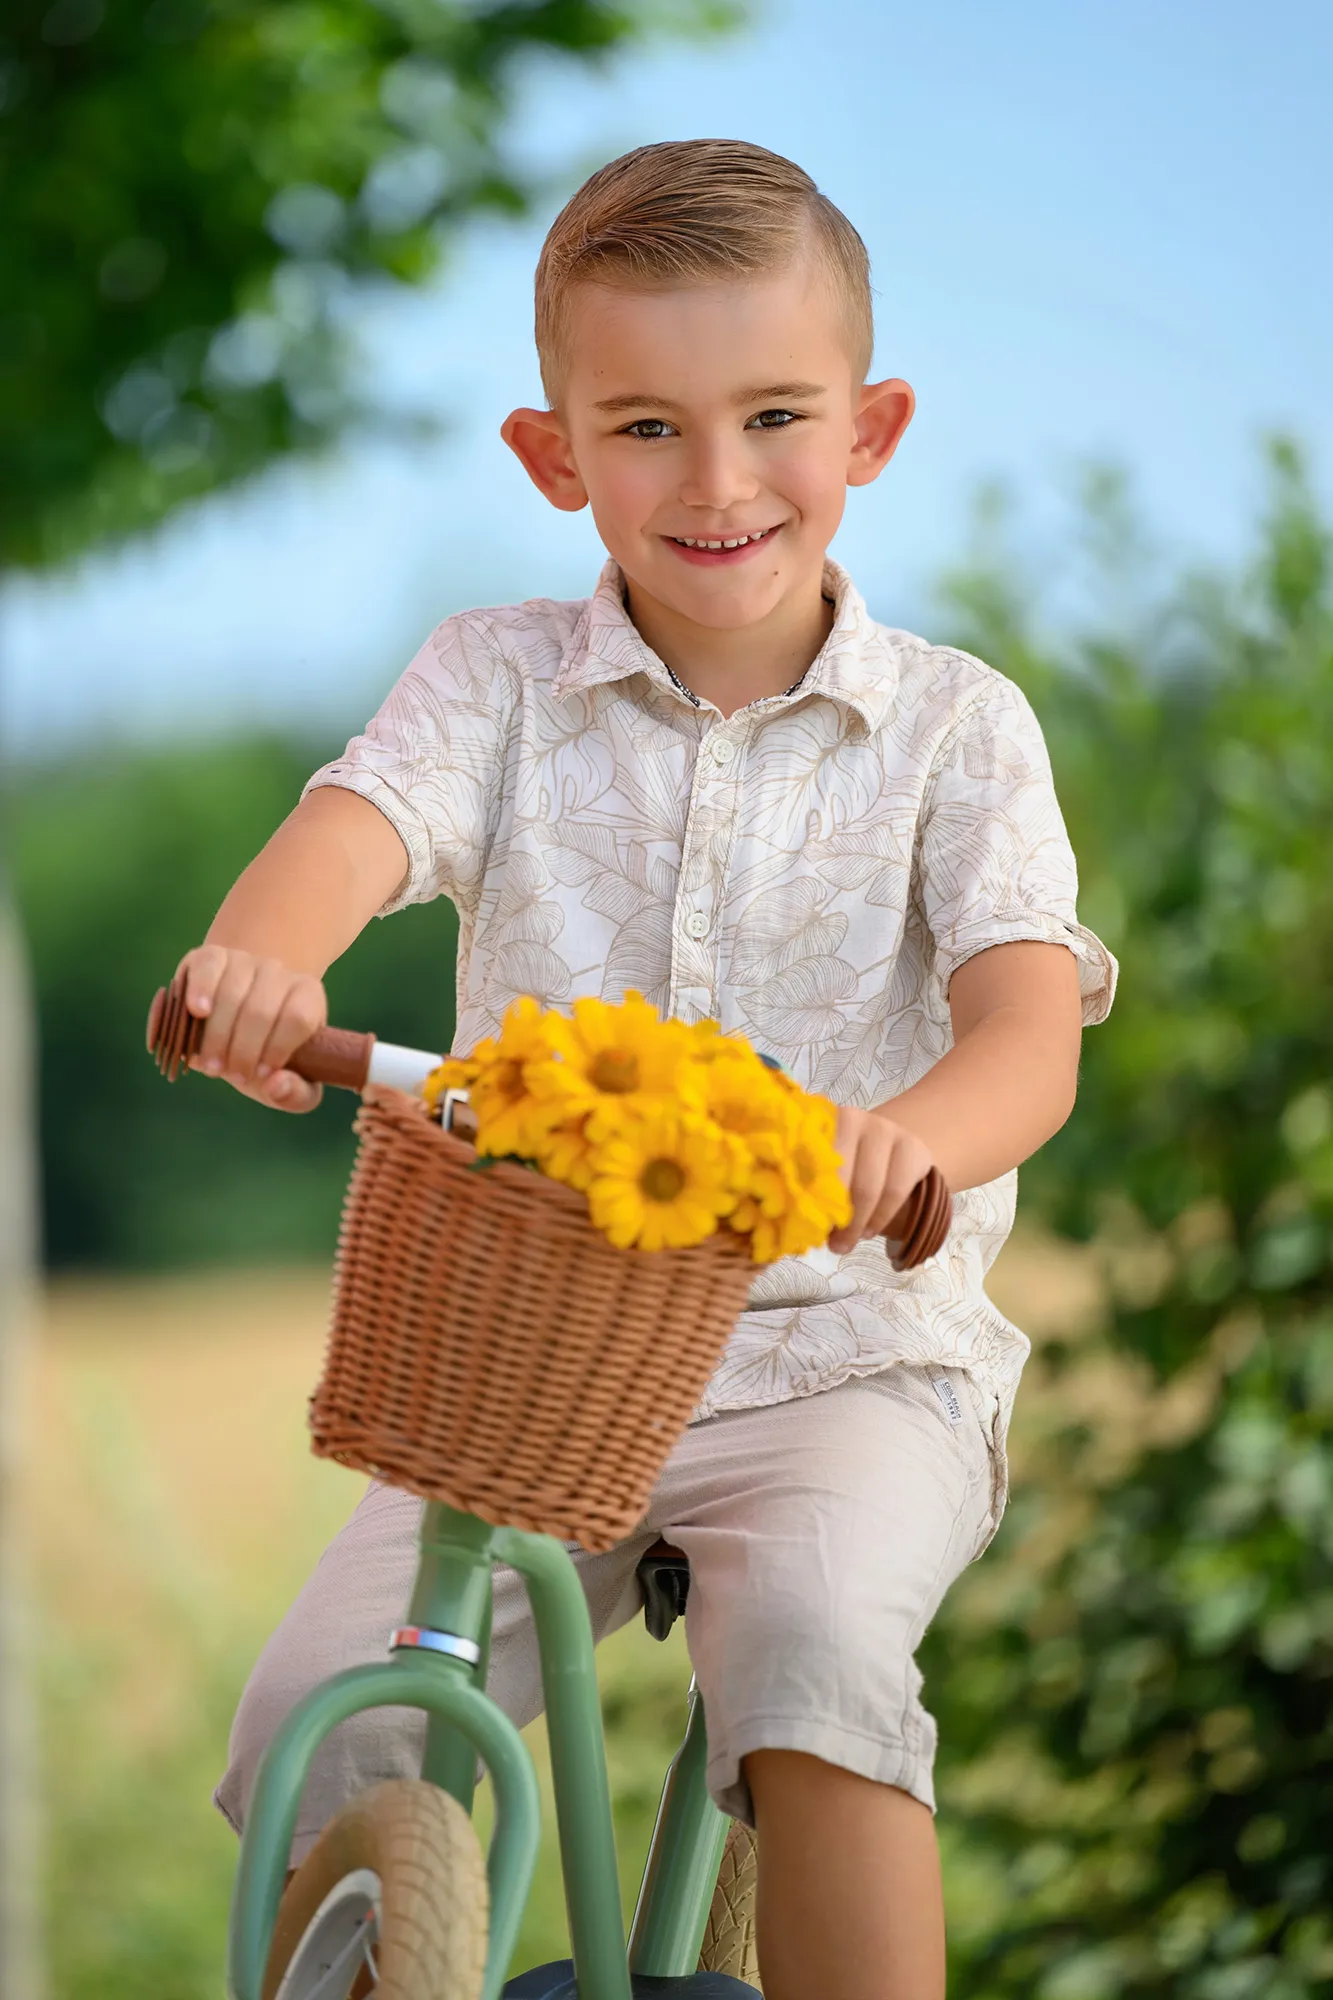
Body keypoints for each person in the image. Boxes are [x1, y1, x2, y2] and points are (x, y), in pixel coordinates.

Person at [192, 140, 1117, 2000]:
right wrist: (260, 961)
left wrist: (912, 1139)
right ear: (554, 457)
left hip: (846, 1350)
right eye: (645, 428)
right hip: (535, 1358)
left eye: (775, 415)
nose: (717, 483)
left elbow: (1026, 1029)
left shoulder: (957, 729)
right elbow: (352, 836)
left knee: (823, 1658)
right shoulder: (497, 684)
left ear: (871, 428)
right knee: (331, 1713)